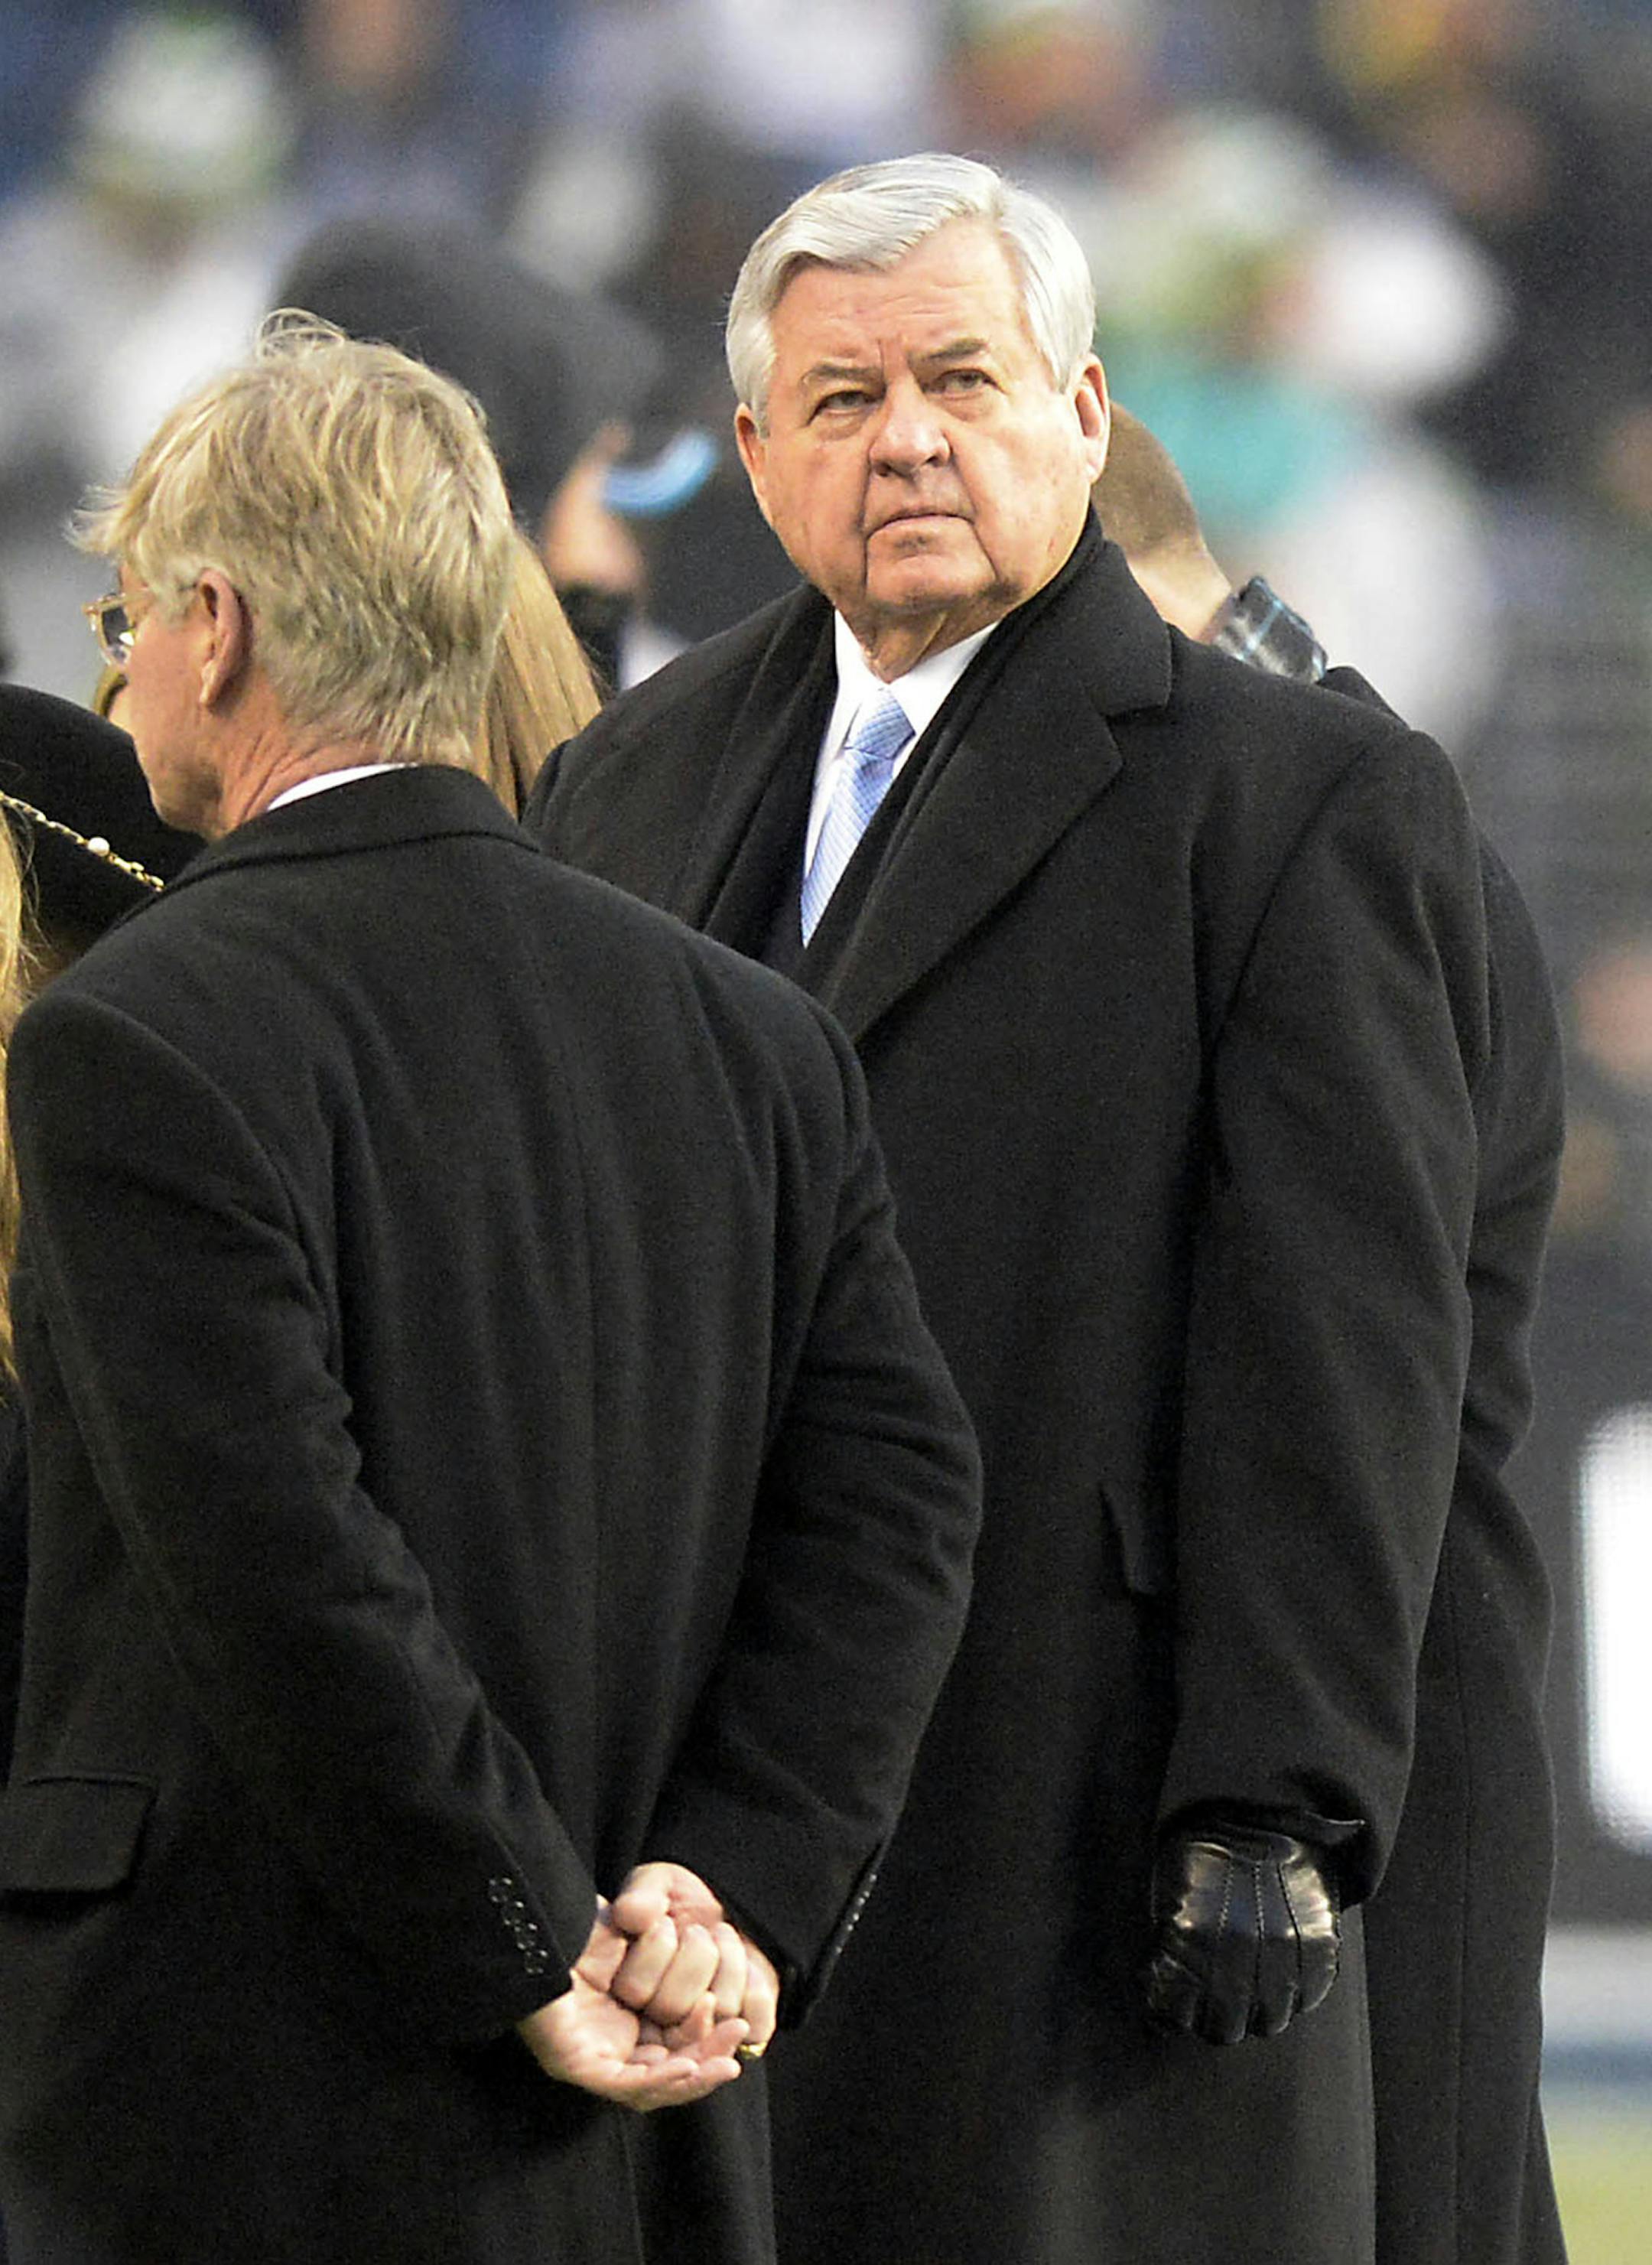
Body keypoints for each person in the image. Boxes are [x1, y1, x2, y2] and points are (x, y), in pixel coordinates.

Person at [528, 153, 1507, 2263]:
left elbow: (1345, 1338)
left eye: (963, 377)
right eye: (846, 395)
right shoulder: (627, 780)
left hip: (1081, 1796)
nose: (908, 437)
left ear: (1080, 410)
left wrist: (1278, 1794)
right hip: (694, 1816)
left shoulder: (1298, 797)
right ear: (761, 455)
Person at [0, 316, 982, 2265]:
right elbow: (899, 1505)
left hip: (255, 2090)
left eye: (124, 624)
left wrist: (527, 1939)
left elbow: (279, 1552)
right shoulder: (748, 1034)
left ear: (217, 624)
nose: (121, 684)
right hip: (656, 2105)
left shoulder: (140, 1029)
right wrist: (725, 1894)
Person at [1092, 402, 1569, 2263]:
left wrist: (1273, 1795)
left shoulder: (1346, 822)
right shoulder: (1348, 791)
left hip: (1374, 1721)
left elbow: (1356, 1352)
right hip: (1361, 1700)